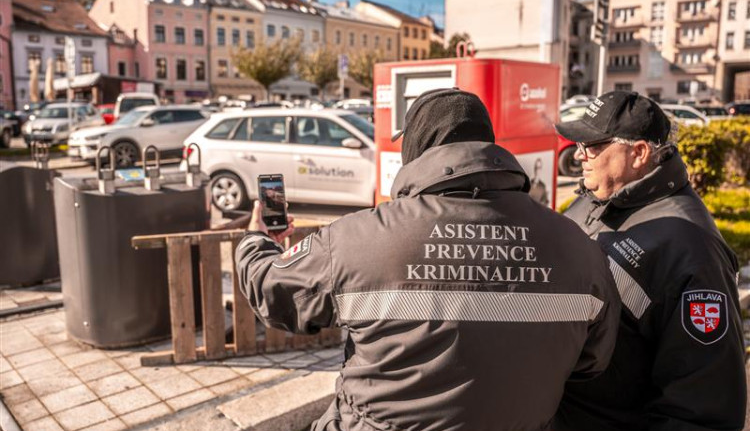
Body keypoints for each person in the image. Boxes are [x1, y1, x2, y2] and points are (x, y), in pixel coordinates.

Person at [236, 88, 621, 430]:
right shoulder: (579, 247)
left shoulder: (358, 239)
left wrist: (257, 239)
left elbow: (273, 292)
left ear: (416, 148)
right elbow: (591, 362)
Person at [553, 91, 747, 430]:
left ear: (639, 153)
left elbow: (703, 408)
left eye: (592, 145)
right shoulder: (597, 198)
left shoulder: (694, 252)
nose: (580, 154)